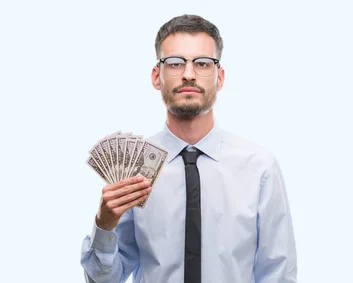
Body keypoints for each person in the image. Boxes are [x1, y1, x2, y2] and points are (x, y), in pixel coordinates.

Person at [80, 14, 298, 283]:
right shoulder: (133, 170)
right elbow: (104, 280)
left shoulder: (259, 167)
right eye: (175, 63)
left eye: (202, 63)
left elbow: (277, 273)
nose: (188, 74)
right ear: (156, 76)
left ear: (219, 77)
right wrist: (104, 225)